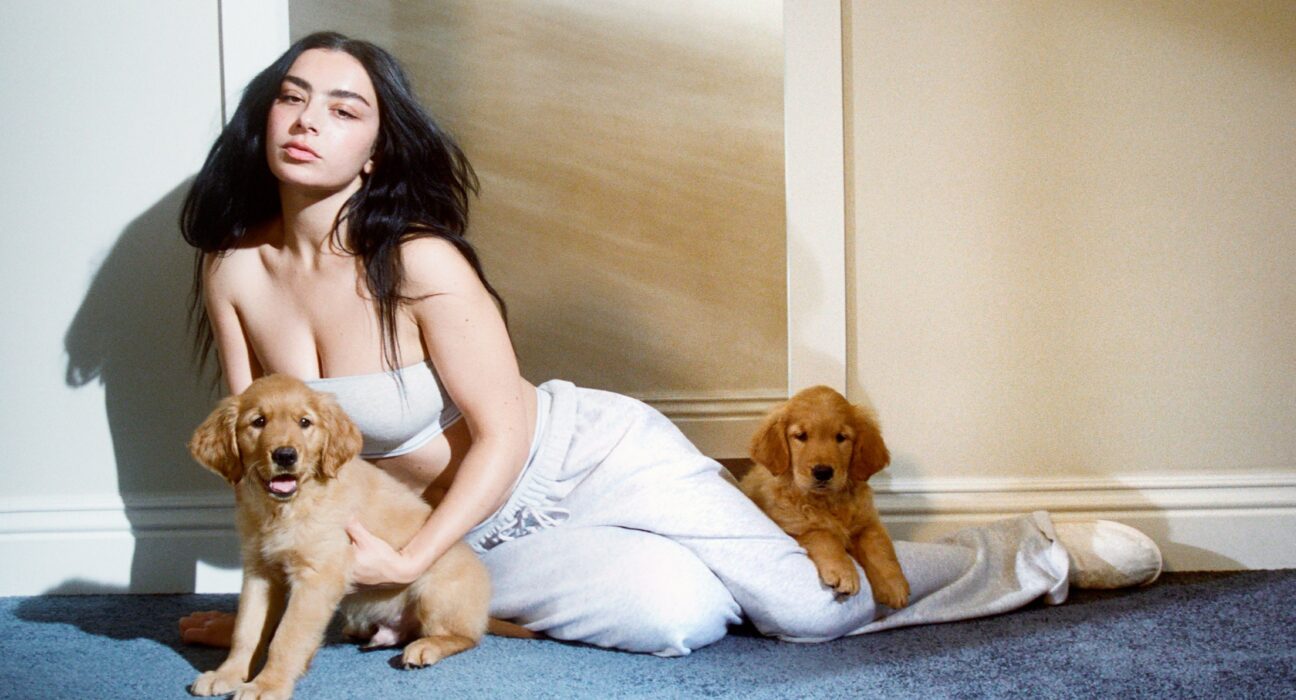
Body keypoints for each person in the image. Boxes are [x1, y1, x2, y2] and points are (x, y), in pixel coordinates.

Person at [177, 32, 1162, 657]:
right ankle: (751, 557)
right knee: (675, 618)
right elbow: (257, 461)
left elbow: (505, 431)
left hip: (577, 459)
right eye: (293, 97)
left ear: (378, 149)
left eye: (344, 108)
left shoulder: (419, 261)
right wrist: (279, 597)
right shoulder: (234, 271)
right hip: (475, 538)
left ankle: (1025, 555)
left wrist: (406, 564)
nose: (308, 121)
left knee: (808, 612)